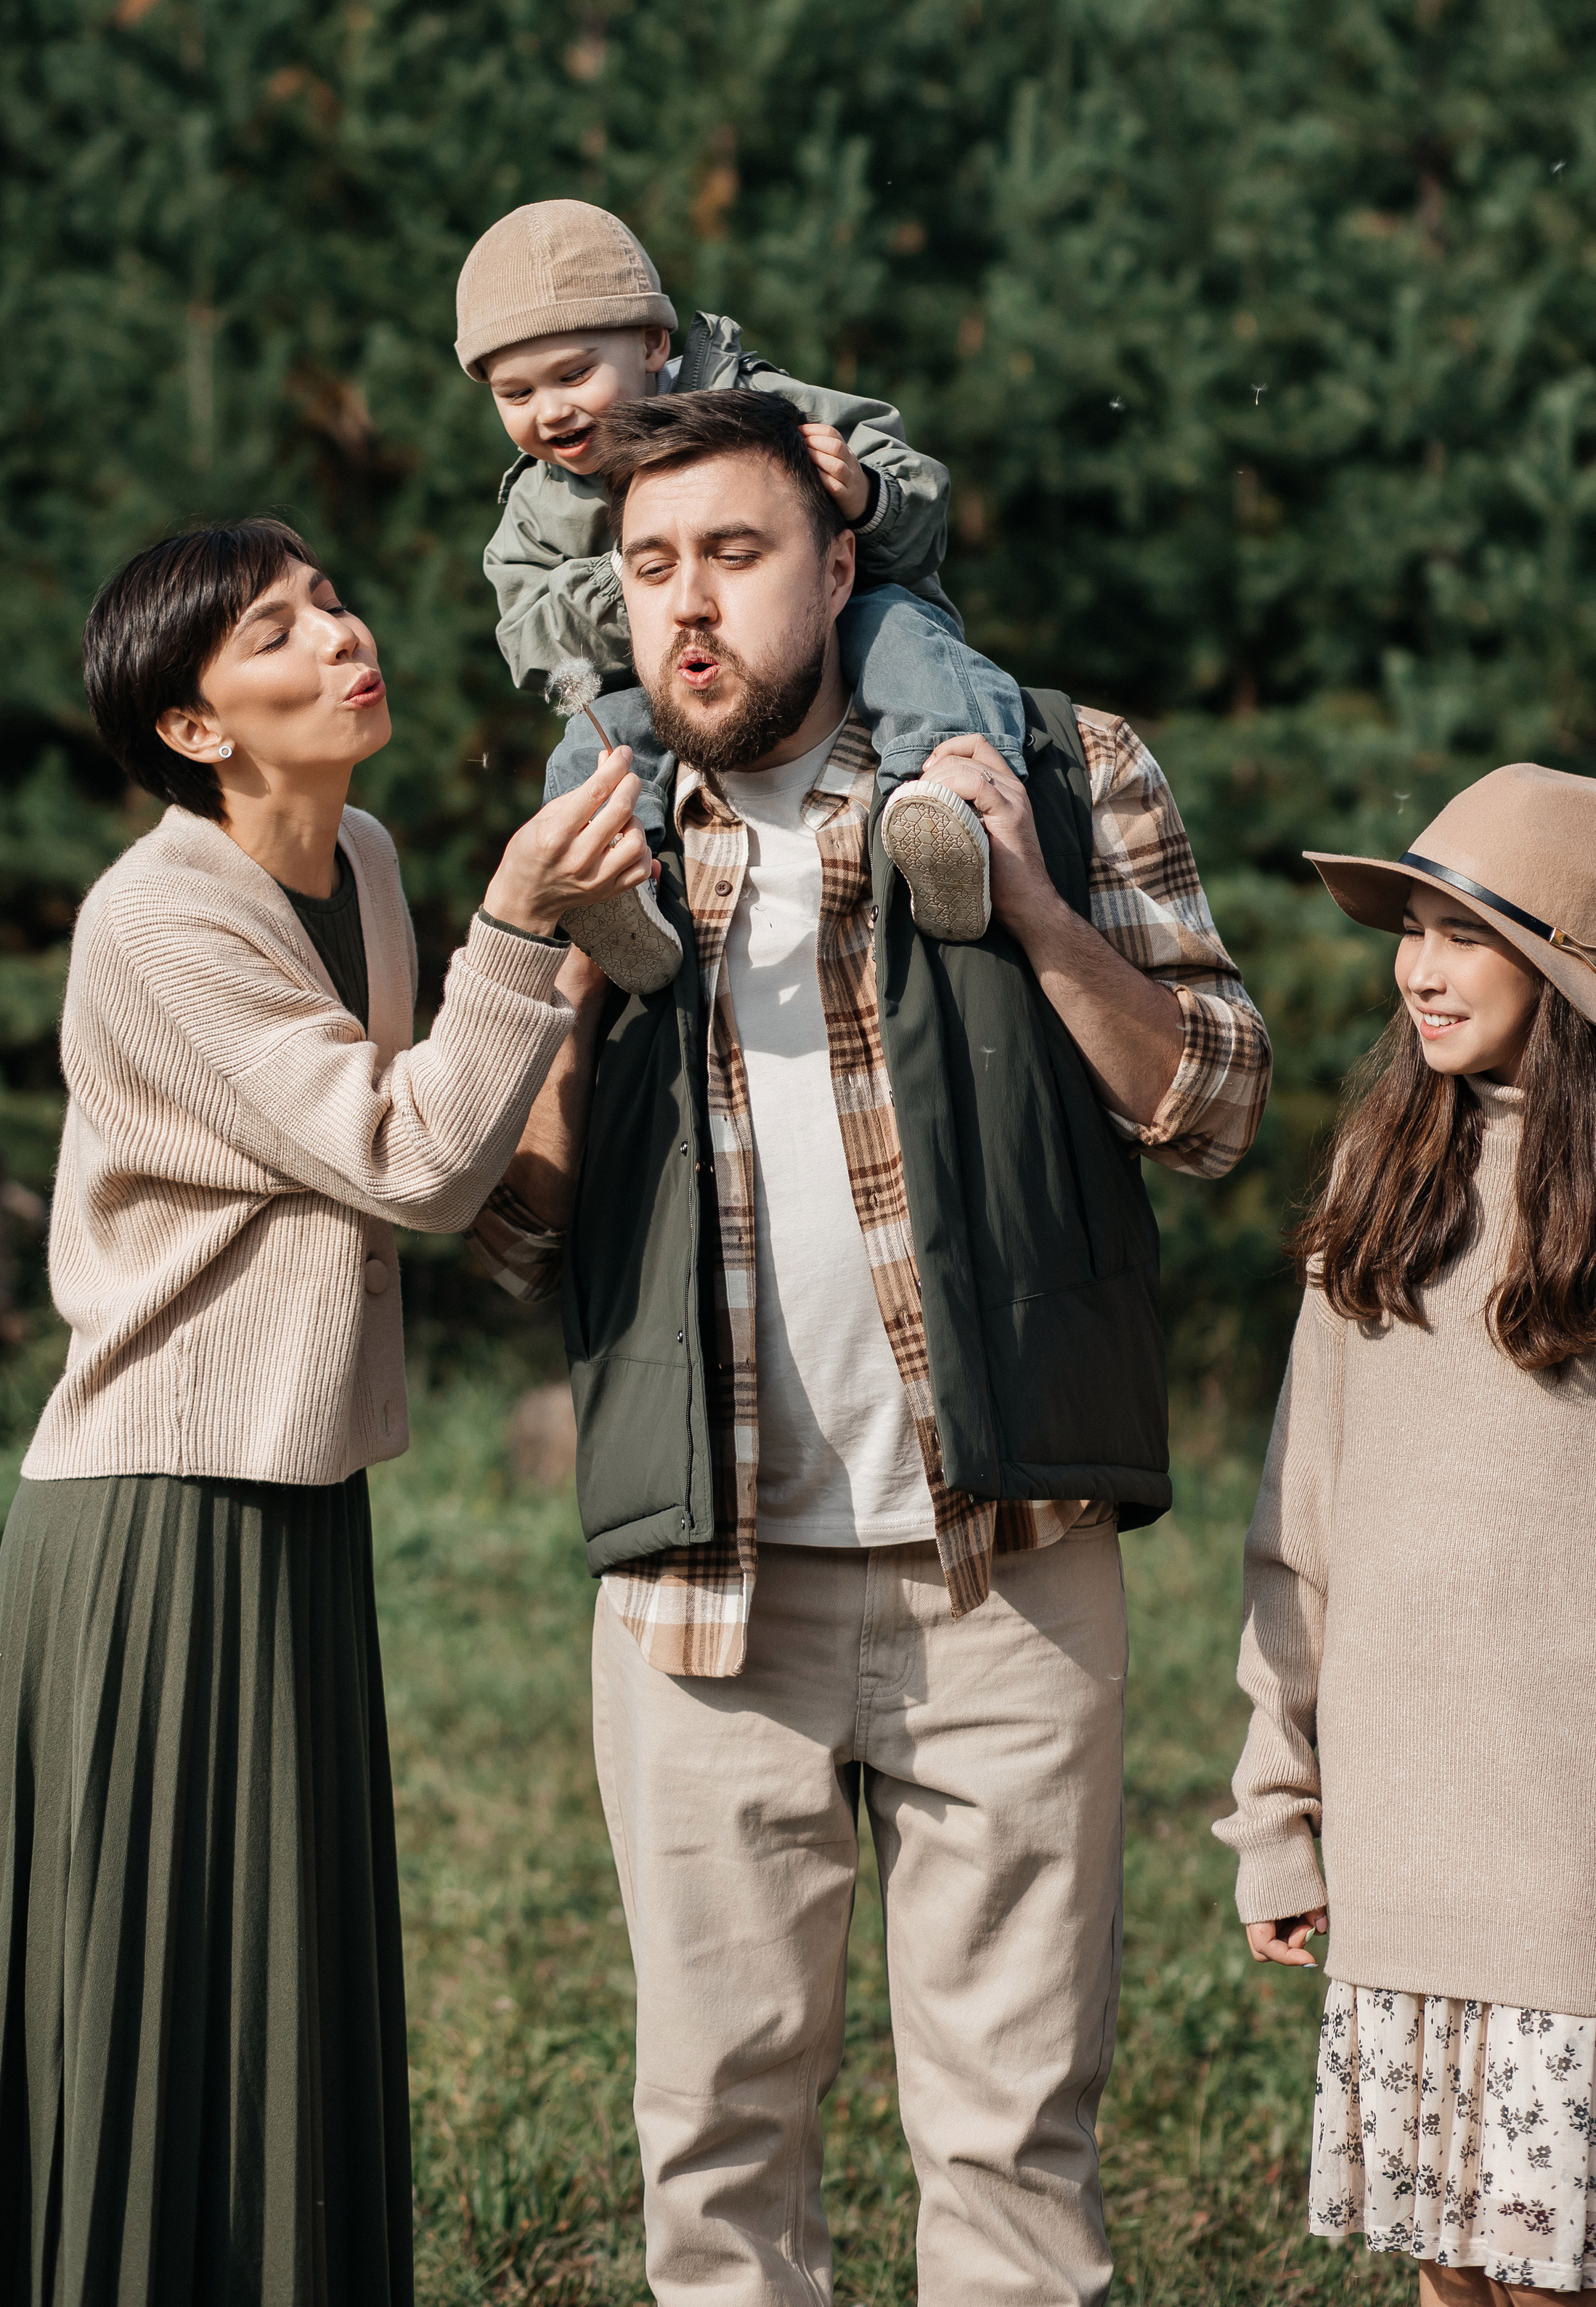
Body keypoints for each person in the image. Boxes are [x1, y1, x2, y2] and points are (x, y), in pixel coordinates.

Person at [469, 386, 1273, 2305]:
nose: (687, 607)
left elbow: (1222, 1103)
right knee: (721, 2141)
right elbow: (508, 1226)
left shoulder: (1054, 765)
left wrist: (1032, 912)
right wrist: (568, 960)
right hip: (703, 1587)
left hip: (1007, 1557)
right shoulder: (588, 826)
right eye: (648, 566)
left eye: (735, 557)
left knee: (1012, 2138)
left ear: (840, 567)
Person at [0, 518, 648, 2306]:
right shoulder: (156, 915)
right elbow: (410, 1162)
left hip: (288, 1491)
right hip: (149, 1518)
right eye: (274, 636)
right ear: (197, 730)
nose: (339, 640)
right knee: (153, 2001)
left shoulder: (356, 851)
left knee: (282, 1979)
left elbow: (422, 1135)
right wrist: (519, 925)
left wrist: (569, 986)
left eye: (330, 605)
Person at [1217, 765, 1596, 2303]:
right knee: (1444, 2277)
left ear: (1560, 970)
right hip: (1401, 1859)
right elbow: (1300, 1528)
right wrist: (1277, 1805)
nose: (1414, 965)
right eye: (1408, 927)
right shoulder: (1379, 1175)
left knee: (1552, 2283)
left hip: (1578, 1876)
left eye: (1459, 934)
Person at [460, 195, 1031, 985]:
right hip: (670, 684)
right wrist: (629, 574)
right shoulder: (536, 506)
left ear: (653, 342)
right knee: (593, 745)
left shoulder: (765, 408)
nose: (550, 411)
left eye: (573, 374)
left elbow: (922, 502)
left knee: (902, 642)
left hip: (840, 624)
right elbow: (528, 639)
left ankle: (942, 815)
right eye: (515, 395)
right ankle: (623, 893)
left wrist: (866, 493)